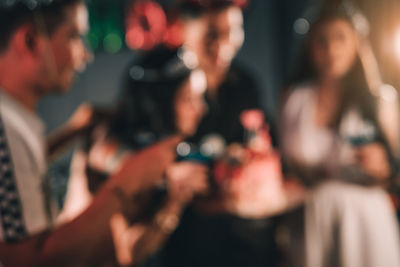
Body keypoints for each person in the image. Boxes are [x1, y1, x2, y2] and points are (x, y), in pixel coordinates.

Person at [0, 1, 180, 266]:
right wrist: (129, 179)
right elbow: (30, 261)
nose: (85, 55)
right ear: (30, 41)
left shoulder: (14, 124)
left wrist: (71, 132)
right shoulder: (6, 132)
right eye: (74, 37)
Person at [58, 47, 209, 266]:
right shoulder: (110, 142)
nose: (201, 108)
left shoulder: (167, 150)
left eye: (201, 97)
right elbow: (129, 252)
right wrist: (173, 196)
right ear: (159, 104)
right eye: (189, 99)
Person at [280, 5, 400, 267]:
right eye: (322, 40)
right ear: (310, 46)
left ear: (357, 43)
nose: (331, 49)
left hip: (365, 225)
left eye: (340, 38)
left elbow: (395, 175)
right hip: (311, 223)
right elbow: (285, 167)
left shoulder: (381, 101)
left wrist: (382, 167)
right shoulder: (294, 99)